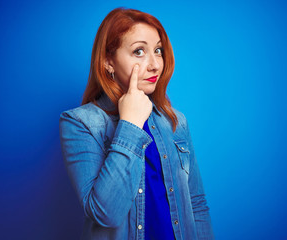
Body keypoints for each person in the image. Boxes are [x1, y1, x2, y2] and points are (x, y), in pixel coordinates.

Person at [59, 7, 214, 240]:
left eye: (158, 50)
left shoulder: (176, 121)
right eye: (139, 51)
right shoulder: (80, 123)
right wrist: (130, 123)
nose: (155, 65)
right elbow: (106, 214)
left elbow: (197, 204)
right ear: (108, 62)